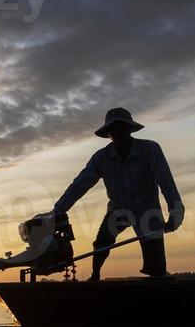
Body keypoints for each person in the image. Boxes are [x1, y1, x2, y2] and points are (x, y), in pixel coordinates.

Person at [50, 107, 184, 281]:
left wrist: (175, 213)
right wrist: (57, 211)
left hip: (147, 209)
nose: (118, 133)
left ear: (129, 129)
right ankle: (95, 276)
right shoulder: (101, 158)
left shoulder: (150, 149)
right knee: (101, 243)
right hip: (119, 209)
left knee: (156, 263)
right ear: (108, 134)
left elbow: (166, 182)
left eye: (122, 128)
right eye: (114, 130)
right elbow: (79, 185)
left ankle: (157, 284)